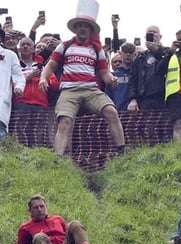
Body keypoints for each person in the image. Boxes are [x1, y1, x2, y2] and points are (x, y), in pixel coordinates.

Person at [38, 2, 126, 156]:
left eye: (86, 26)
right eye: (80, 25)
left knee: (111, 111)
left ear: (90, 29)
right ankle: (57, 160)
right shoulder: (64, 46)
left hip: (91, 89)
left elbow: (104, 73)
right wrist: (42, 79)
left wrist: (111, 79)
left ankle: (122, 151)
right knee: (64, 122)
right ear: (76, 28)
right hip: (68, 91)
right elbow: (50, 65)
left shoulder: (96, 49)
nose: (83, 28)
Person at [13, 194, 98, 244]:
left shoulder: (57, 219)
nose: (39, 210)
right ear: (30, 211)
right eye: (35, 208)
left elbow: (69, 237)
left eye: (42, 206)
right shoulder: (25, 228)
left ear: (46, 207)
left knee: (74, 224)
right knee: (39, 236)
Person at [127, 25, 168, 112]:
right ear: (146, 37)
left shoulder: (167, 52)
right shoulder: (140, 57)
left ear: (160, 37)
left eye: (155, 32)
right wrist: (133, 99)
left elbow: (166, 65)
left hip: (163, 98)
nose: (152, 34)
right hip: (144, 99)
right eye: (149, 33)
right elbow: (133, 80)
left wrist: (155, 50)